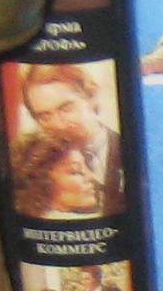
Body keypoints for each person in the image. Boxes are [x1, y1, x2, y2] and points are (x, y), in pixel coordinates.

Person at [10, 63, 123, 218]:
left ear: (91, 98)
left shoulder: (129, 150)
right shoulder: (33, 168)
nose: (58, 124)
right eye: (45, 116)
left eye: (66, 109)